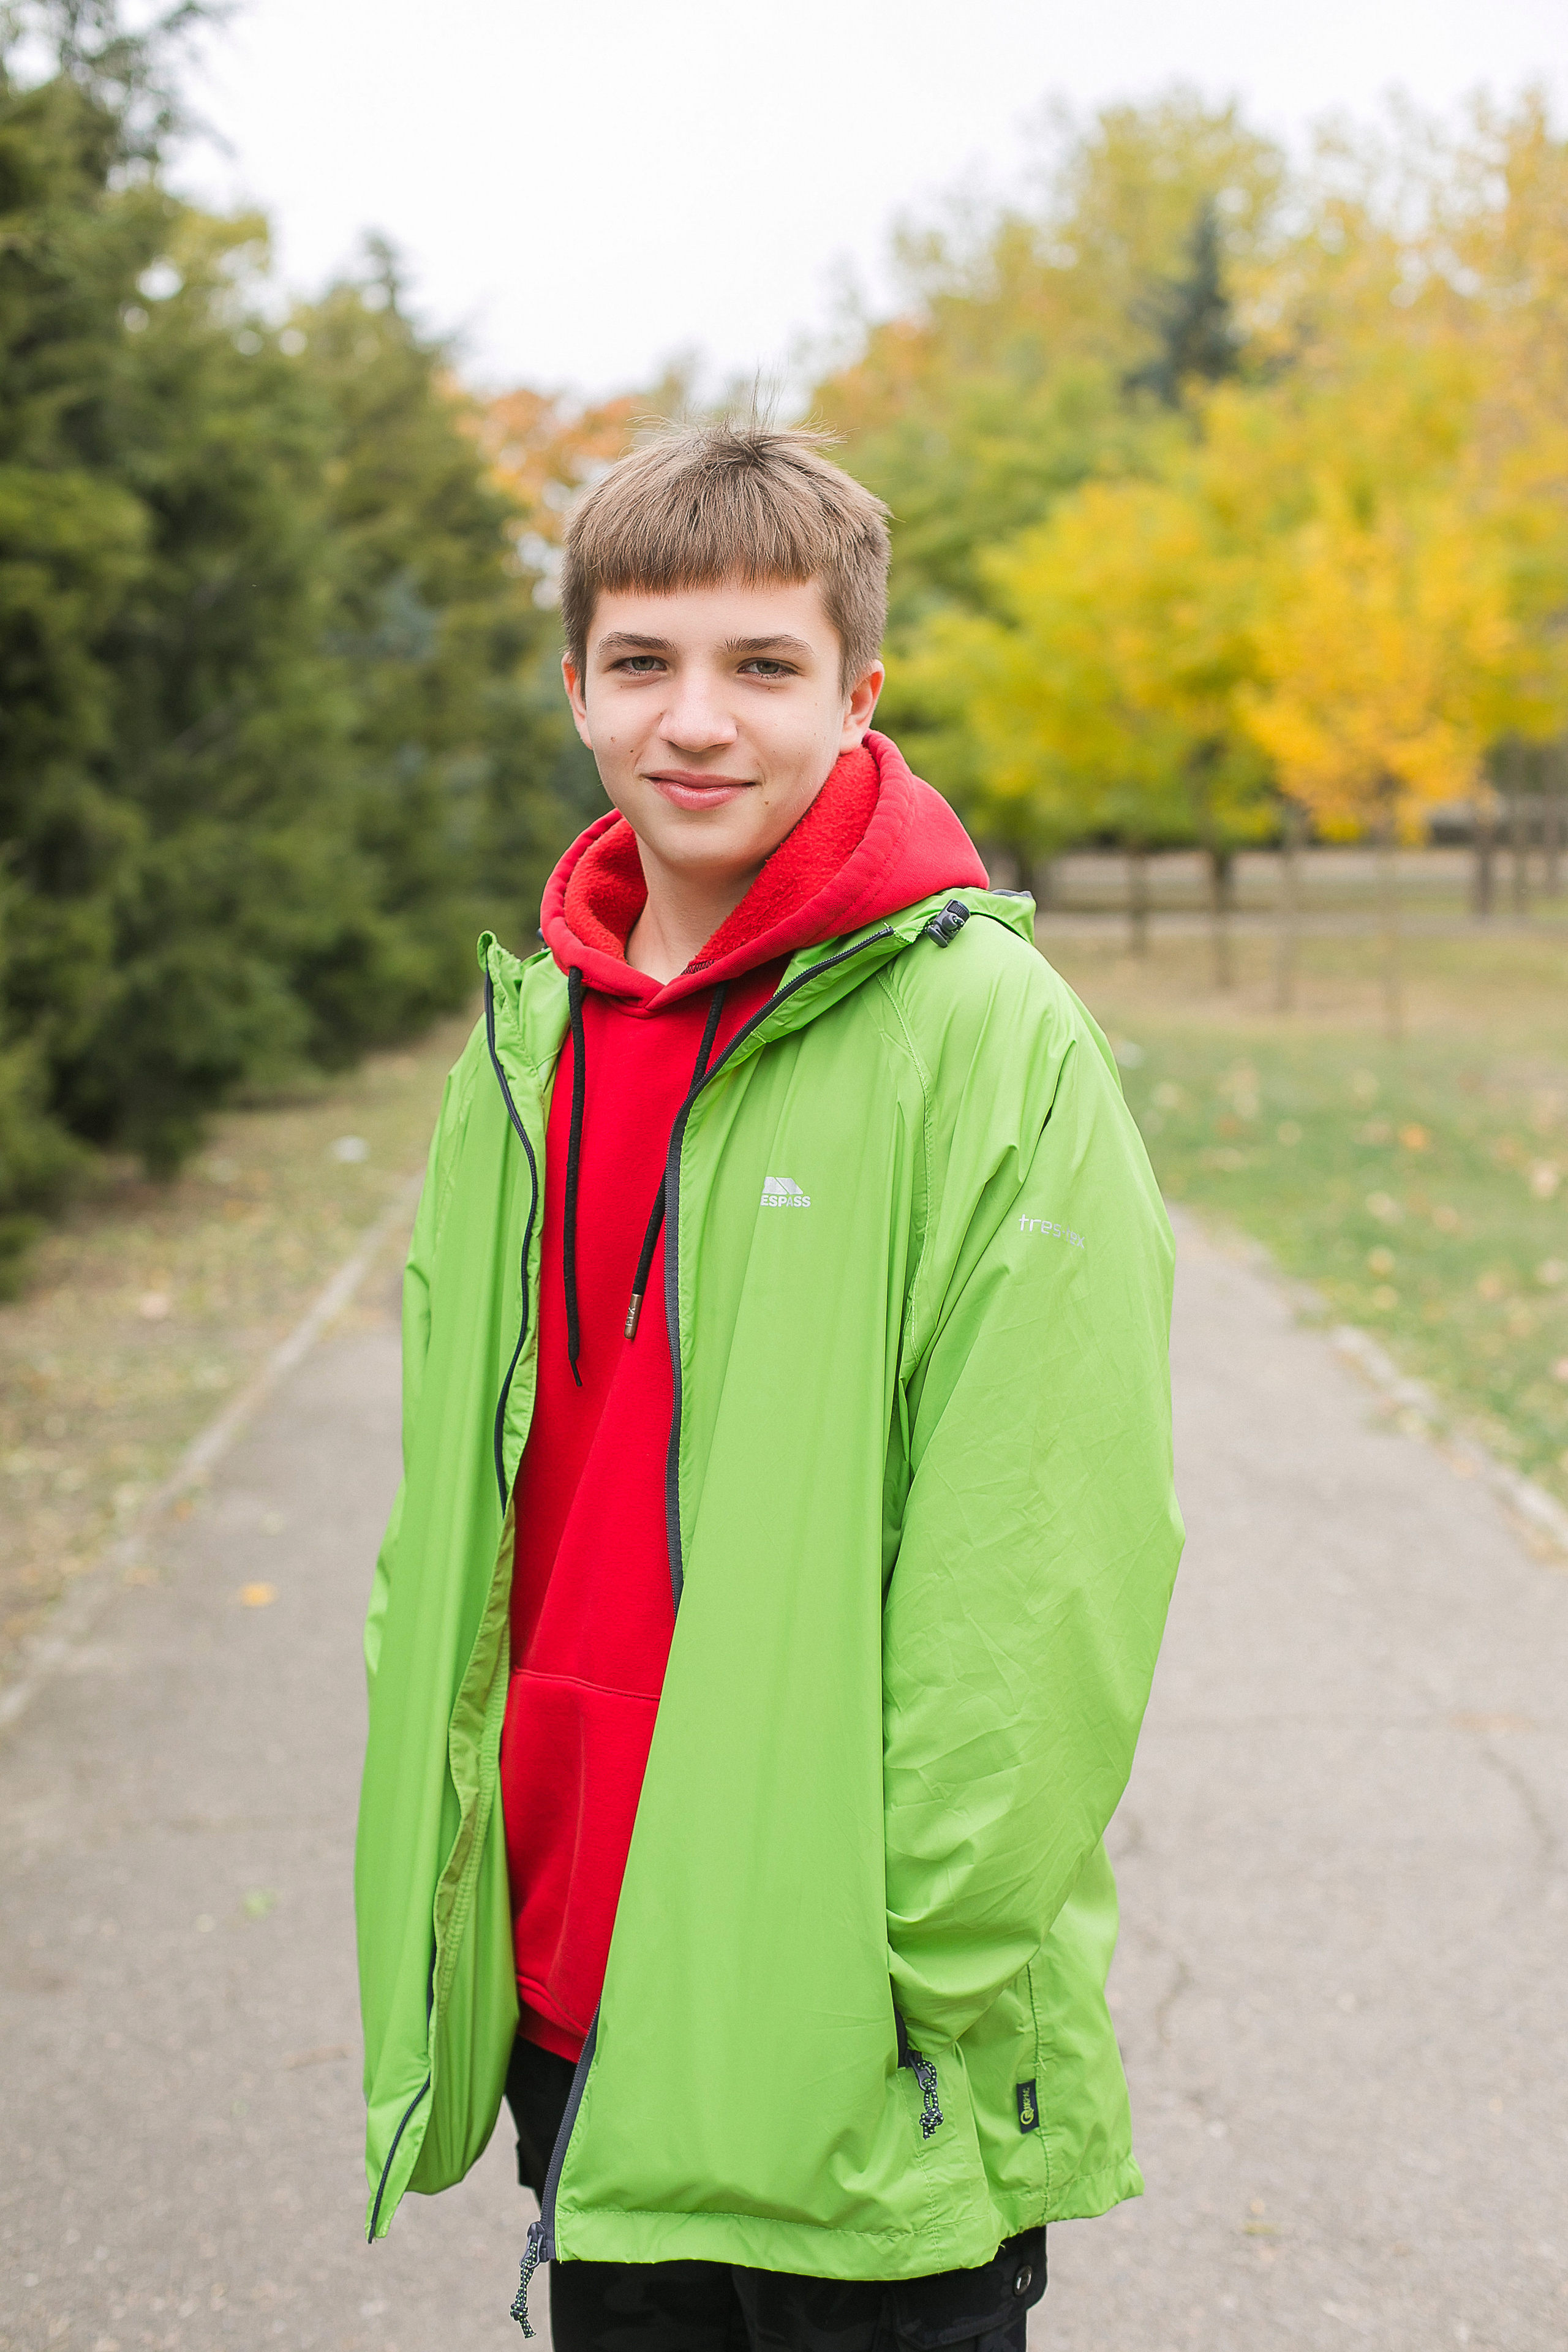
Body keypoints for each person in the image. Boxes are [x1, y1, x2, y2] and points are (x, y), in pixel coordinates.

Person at [355, 421, 1183, 2352]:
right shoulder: (525, 1047)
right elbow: (450, 1528)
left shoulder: (985, 1036)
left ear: (858, 693)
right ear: (576, 687)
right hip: (575, 1968)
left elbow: (1042, 1561)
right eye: (643, 662)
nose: (697, 720)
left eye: (763, 665)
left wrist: (913, 1964)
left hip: (845, 2006)